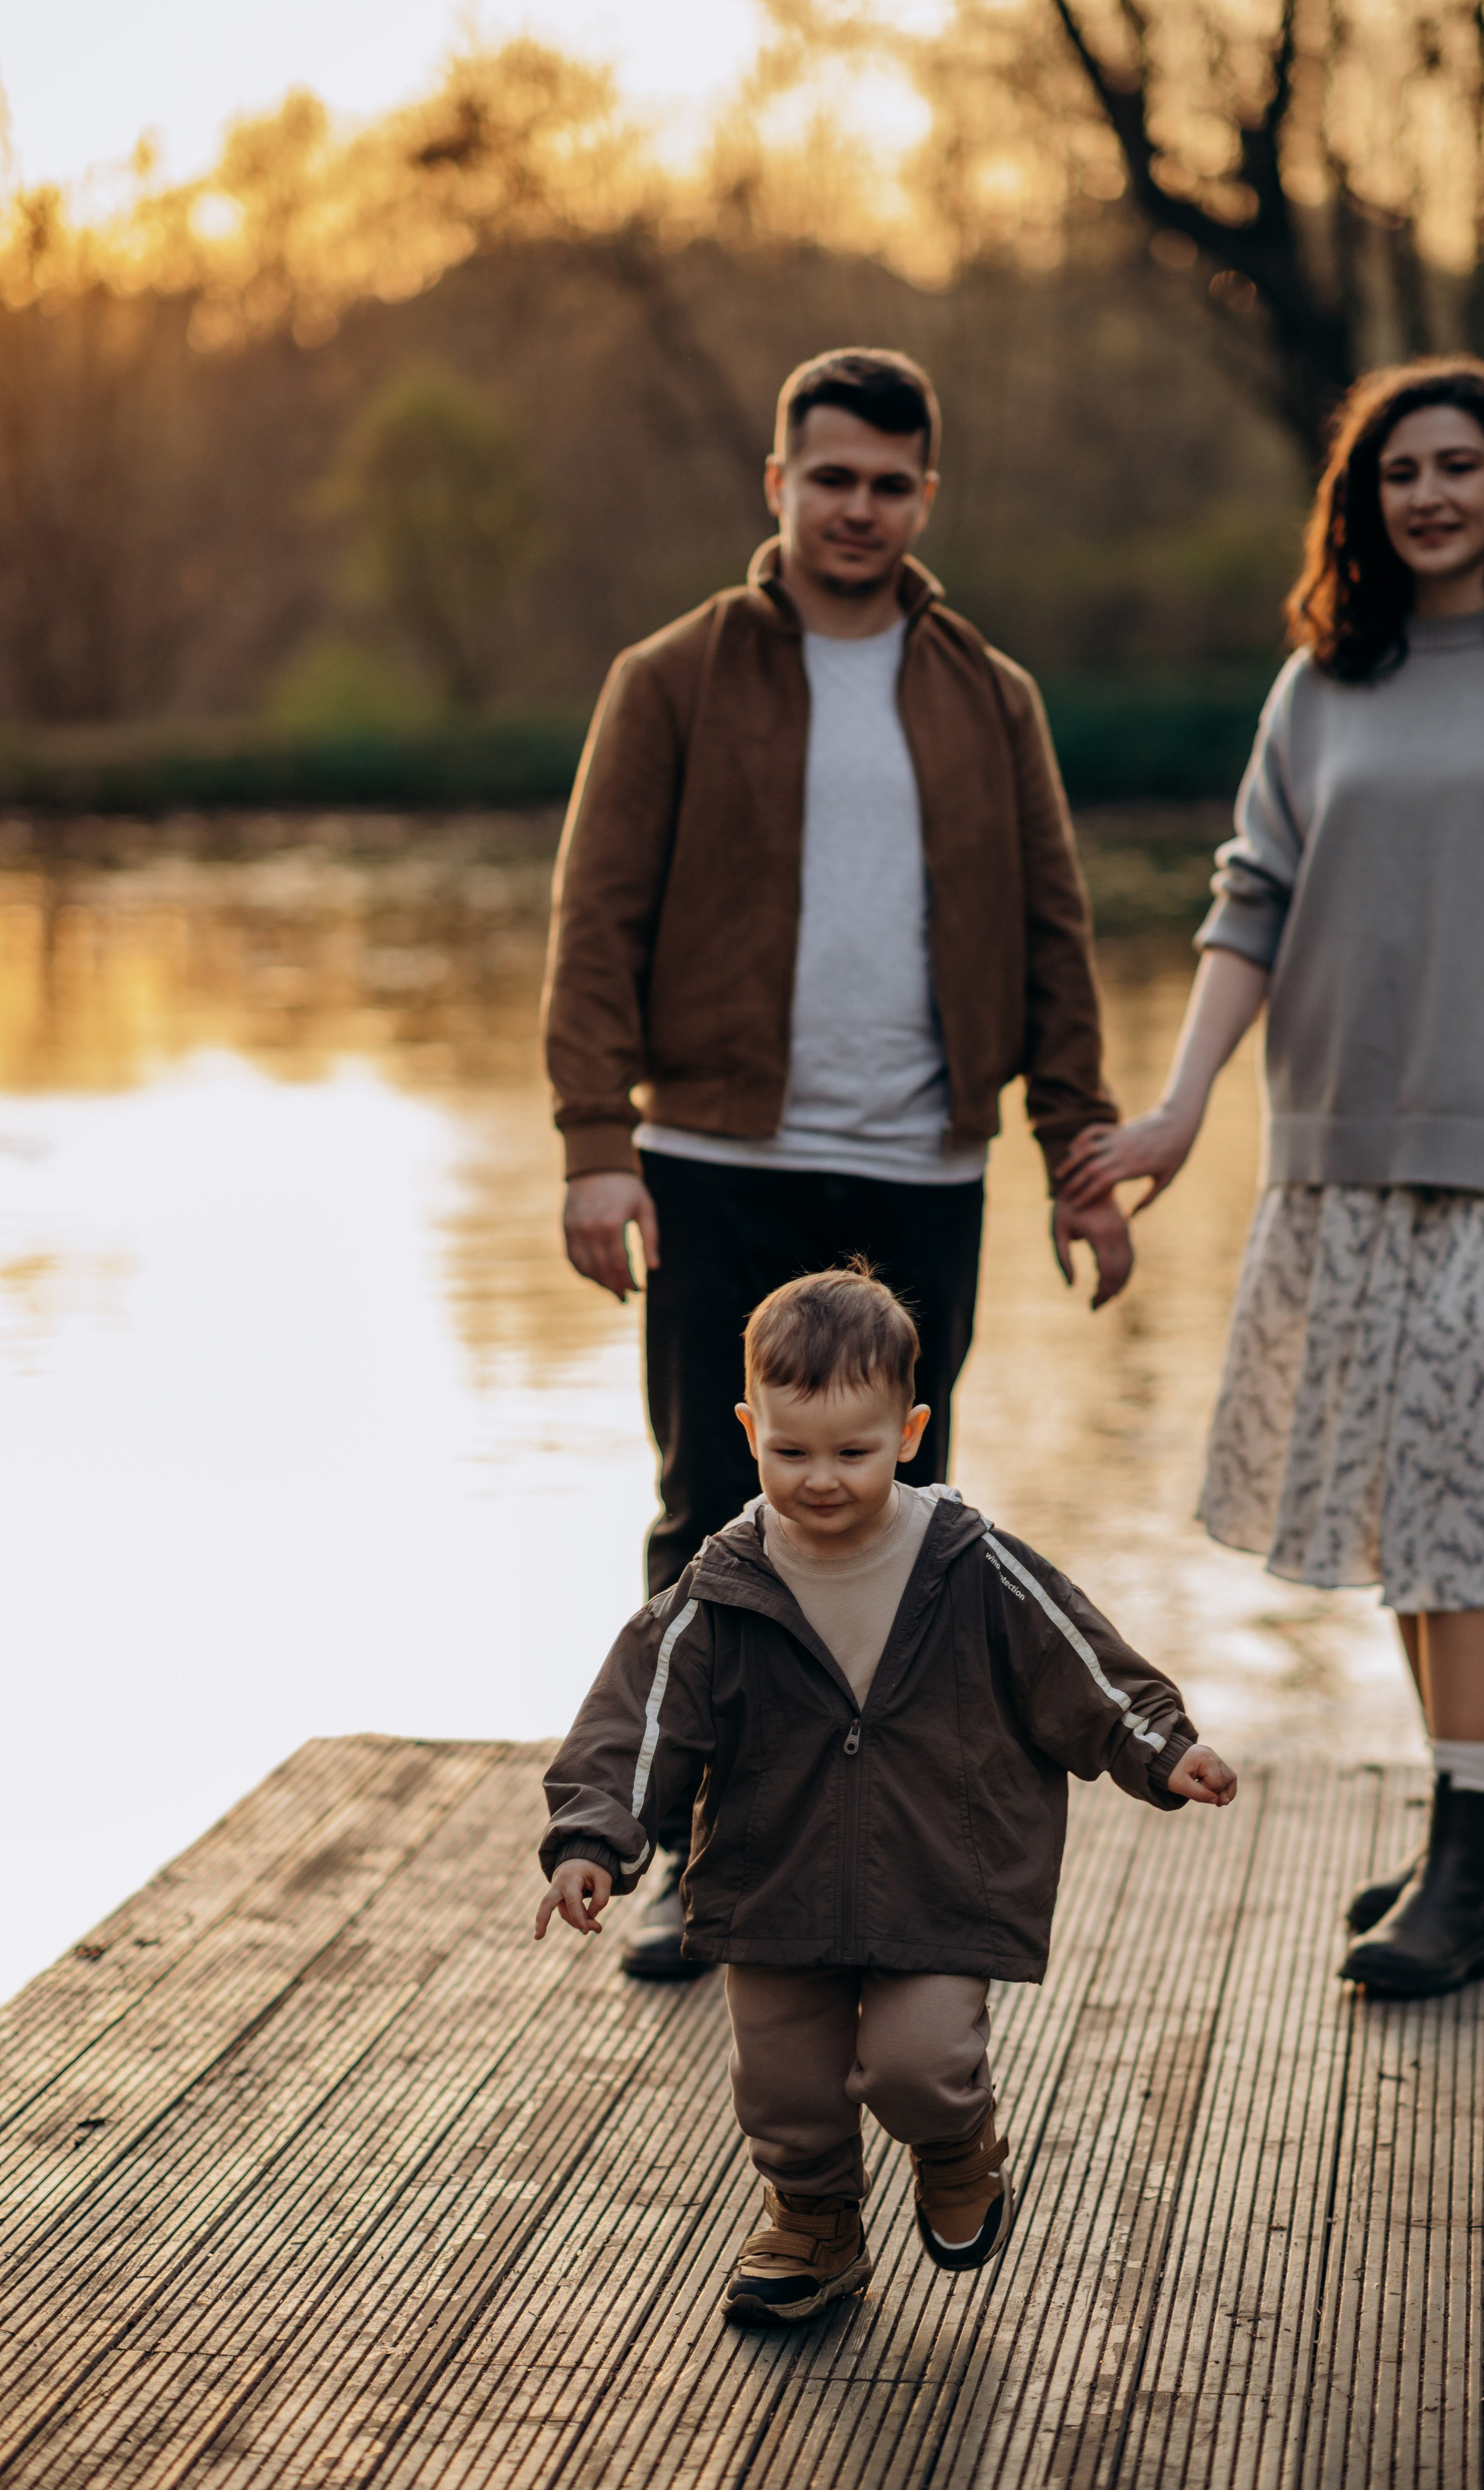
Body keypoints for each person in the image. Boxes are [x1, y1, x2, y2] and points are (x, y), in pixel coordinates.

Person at [1067, 358, 1484, 2001]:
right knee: (1404, 1504)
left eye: (1459, 465)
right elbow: (1248, 901)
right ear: (1362, 500)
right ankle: (1473, 1823)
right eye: (1397, 471)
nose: (1428, 495)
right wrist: (1185, 1108)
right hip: (1332, 1152)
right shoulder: (1319, 684)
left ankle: (1463, 1870)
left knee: (1462, 1511)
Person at [541, 347, 1133, 1979]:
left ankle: (878, 1862)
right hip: (717, 1153)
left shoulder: (986, 693)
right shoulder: (671, 677)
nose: (856, 508)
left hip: (921, 1170)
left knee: (901, 1517)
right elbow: (594, 922)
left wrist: (1075, 1151)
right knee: (710, 1510)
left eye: (887, 484)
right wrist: (599, 1146)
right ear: (778, 486)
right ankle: (696, 1852)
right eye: (830, 479)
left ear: (922, 498)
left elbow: (1054, 933)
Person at [534, 1262, 1236, 2326]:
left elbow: (1077, 1661)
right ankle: (814, 2225)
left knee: (920, 2065)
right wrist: (594, 1838)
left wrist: (1157, 1745)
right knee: (787, 2091)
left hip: (941, 1873)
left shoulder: (969, 1563)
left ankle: (957, 2145)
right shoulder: (722, 1588)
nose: (821, 1478)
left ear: (909, 1433)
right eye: (791, 1450)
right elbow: (638, 1721)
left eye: (854, 1453)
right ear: (747, 1427)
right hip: (775, 1884)